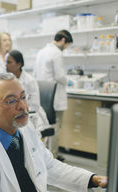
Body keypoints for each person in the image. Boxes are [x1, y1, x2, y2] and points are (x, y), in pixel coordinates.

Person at [33, 30, 73, 160]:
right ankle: (53, 158)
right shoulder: (56, 53)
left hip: (43, 96)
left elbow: (35, 73)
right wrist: (70, 81)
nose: (65, 48)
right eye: (66, 45)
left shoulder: (41, 52)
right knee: (55, 128)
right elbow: (60, 76)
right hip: (55, 98)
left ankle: (45, 157)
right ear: (62, 40)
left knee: (44, 127)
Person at [5, 49, 49, 134]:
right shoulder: (7, 80)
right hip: (14, 116)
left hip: (31, 117)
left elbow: (34, 106)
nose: (5, 65)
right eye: (5, 62)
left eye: (9, 62)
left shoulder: (30, 81)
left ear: (19, 64)